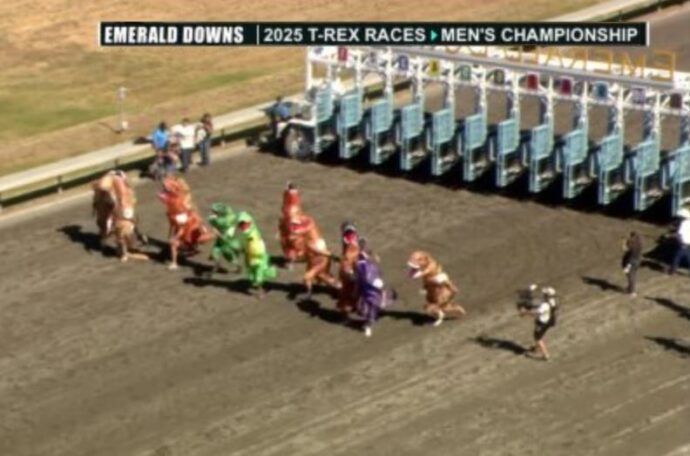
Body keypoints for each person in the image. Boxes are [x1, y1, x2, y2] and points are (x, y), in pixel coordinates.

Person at [520, 286, 557, 361]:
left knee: (537, 338)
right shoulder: (553, 301)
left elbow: (536, 312)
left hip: (542, 323)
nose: (543, 294)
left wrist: (526, 312)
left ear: (547, 295)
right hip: (550, 321)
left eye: (544, 294)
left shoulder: (545, 305)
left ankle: (545, 355)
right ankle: (536, 348)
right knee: (540, 335)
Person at [621, 231, 642, 297]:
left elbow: (624, 249)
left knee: (629, 275)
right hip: (637, 261)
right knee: (632, 274)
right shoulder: (639, 243)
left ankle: (632, 291)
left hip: (630, 262)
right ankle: (630, 288)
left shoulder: (632, 243)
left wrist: (623, 242)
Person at [670, 209, 690, 275]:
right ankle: (673, 270)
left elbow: (679, 234)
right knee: (687, 256)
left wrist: (680, 241)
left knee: (677, 257)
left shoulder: (683, 224)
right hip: (688, 243)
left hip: (683, 242)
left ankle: (672, 271)